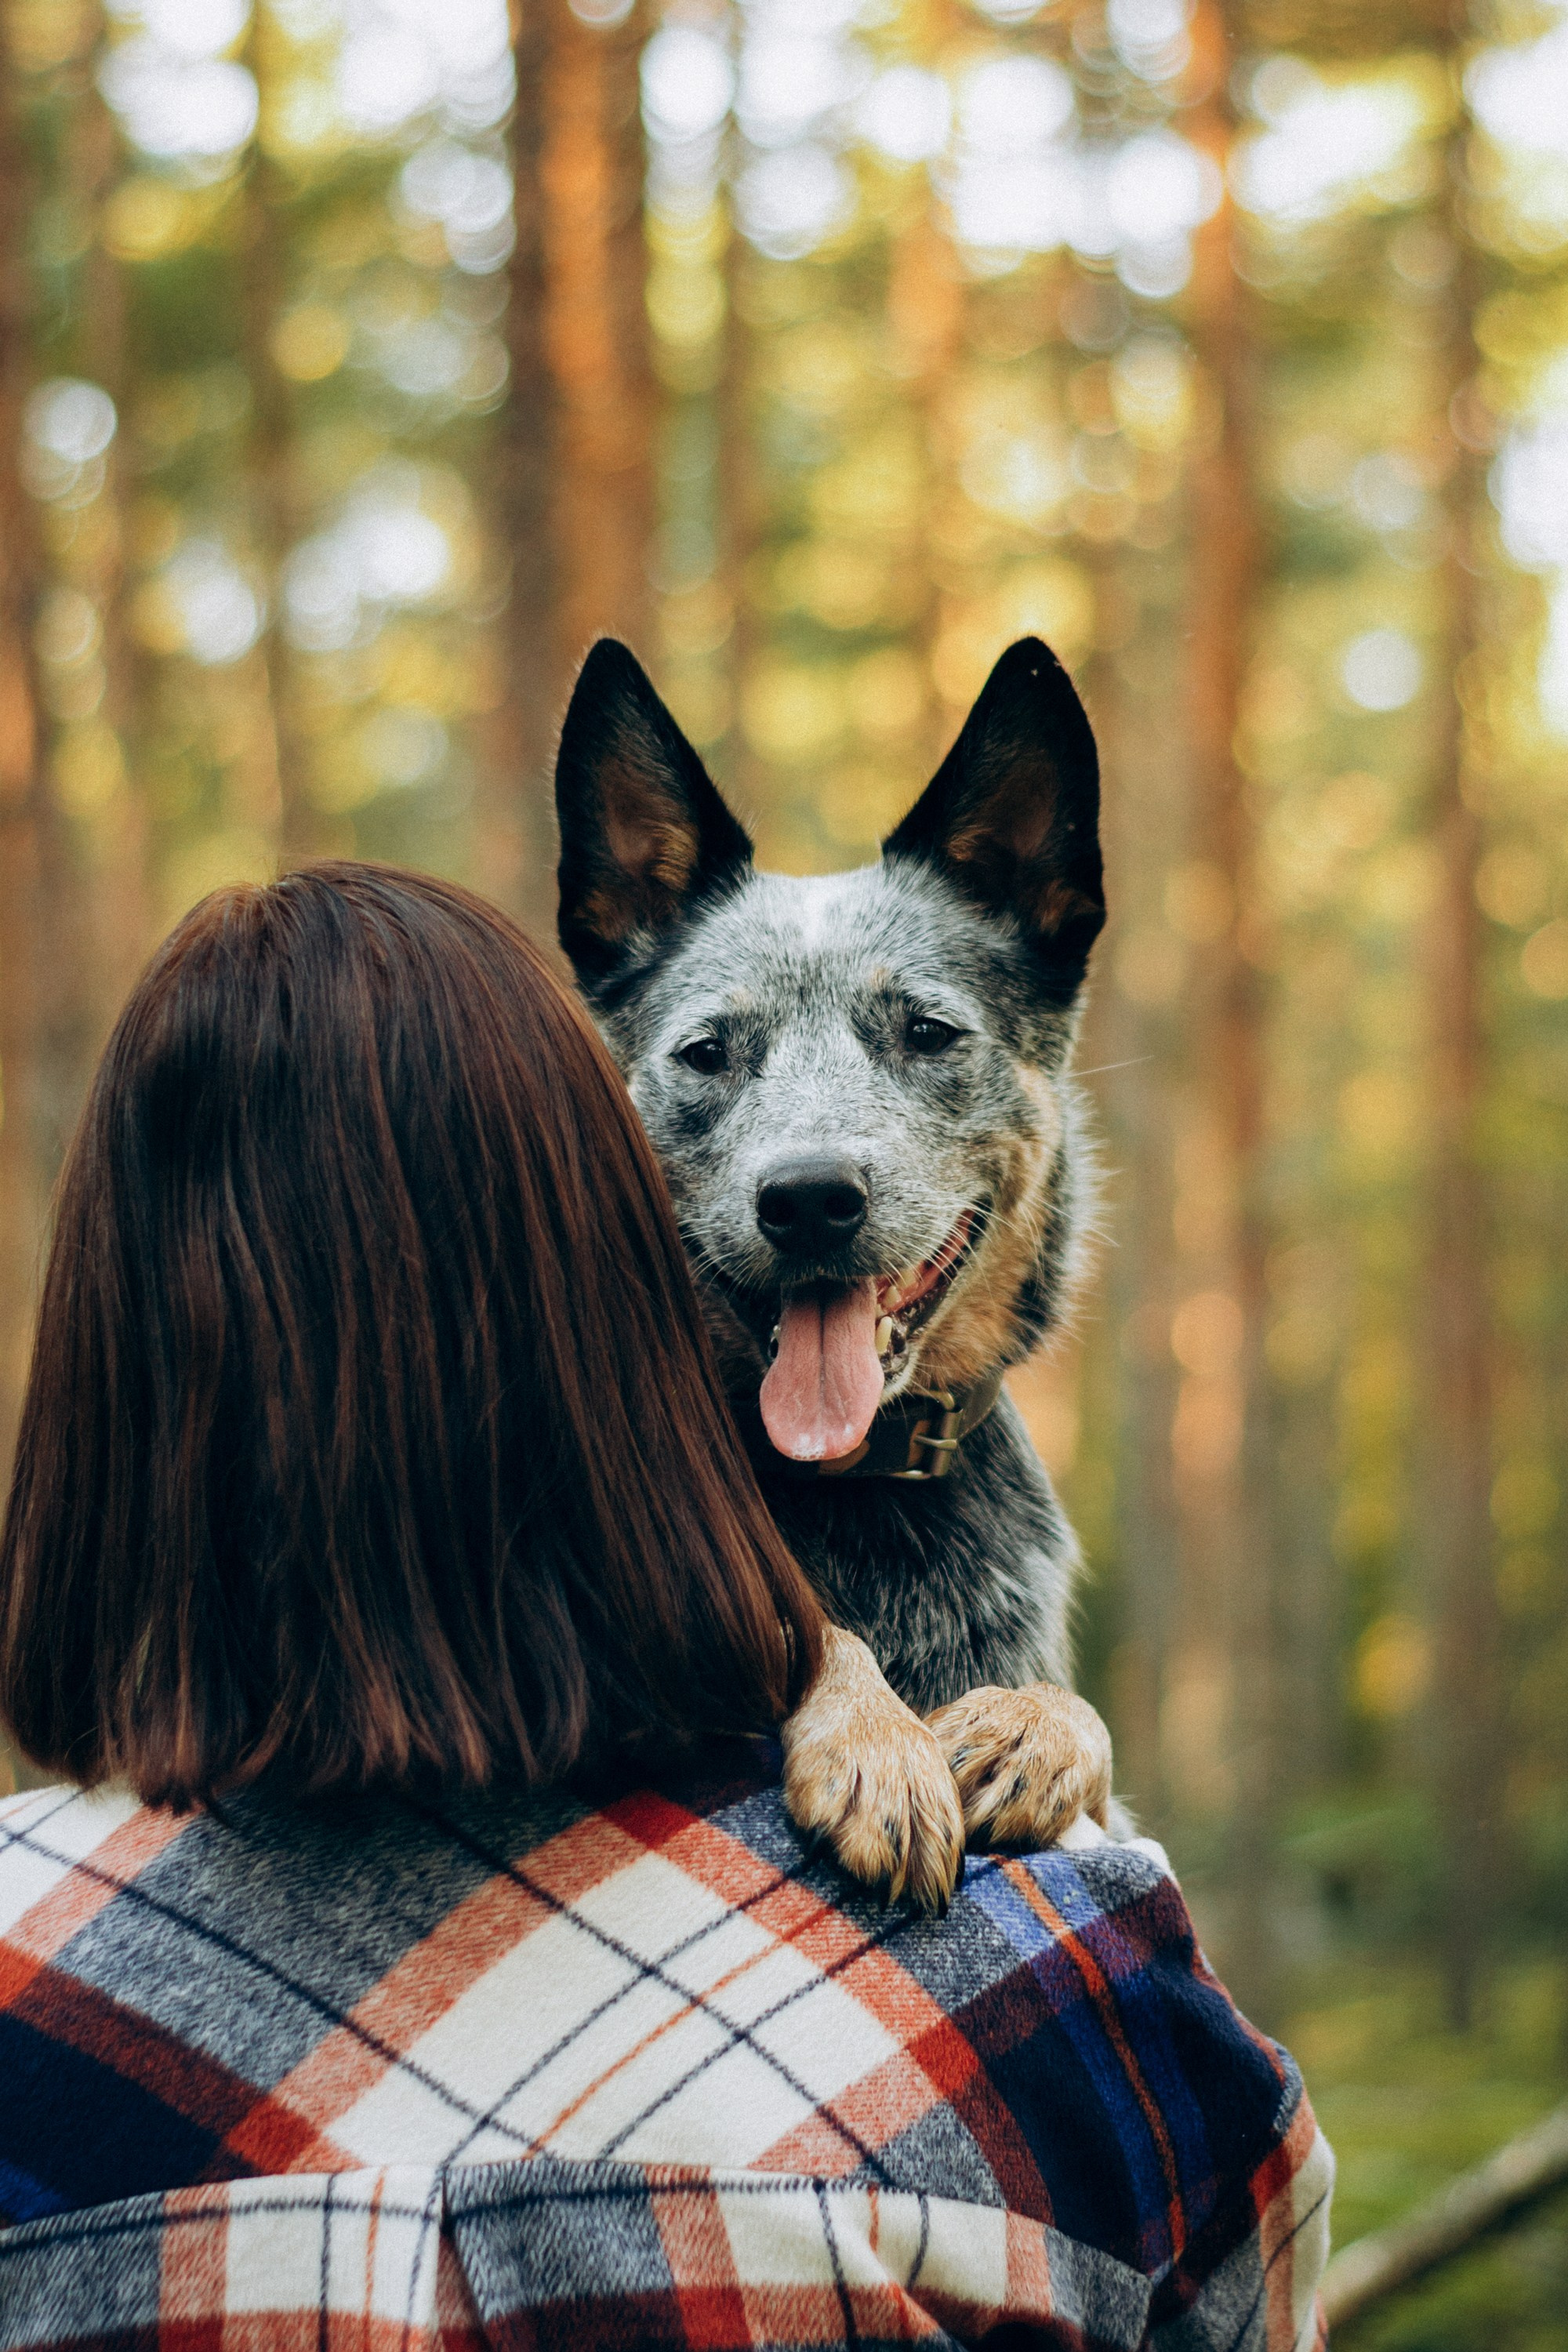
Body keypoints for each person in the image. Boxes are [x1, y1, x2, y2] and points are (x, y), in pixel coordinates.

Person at [0, 865, 1331, 2350]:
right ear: (597, 1282)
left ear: (91, 1366)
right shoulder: (1060, 2001)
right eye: (708, 1071)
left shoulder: (20, 1989)